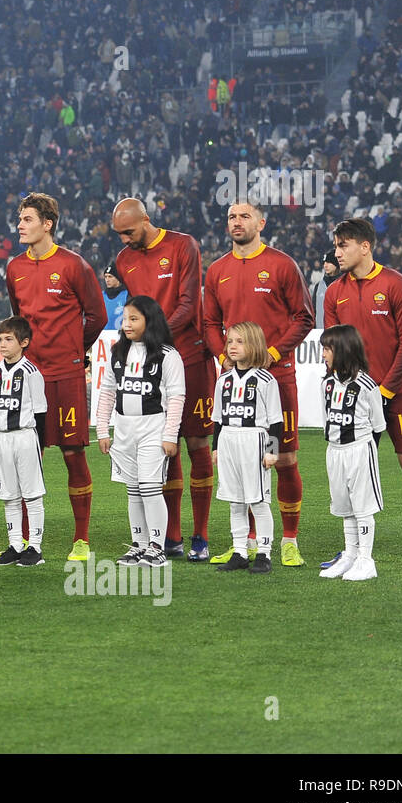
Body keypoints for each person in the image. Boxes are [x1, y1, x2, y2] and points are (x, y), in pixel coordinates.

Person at [202, 201, 314, 566]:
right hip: (233, 380)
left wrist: (274, 354)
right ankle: (248, 542)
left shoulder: (282, 265)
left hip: (277, 377)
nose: (237, 222)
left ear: (261, 223)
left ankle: (289, 539)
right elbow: (208, 323)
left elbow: (304, 317)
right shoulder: (217, 269)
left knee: (284, 458)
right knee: (238, 459)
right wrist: (224, 357)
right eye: (232, 217)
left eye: (245, 216)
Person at [324, 217, 402, 573]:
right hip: (355, 402)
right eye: (337, 246)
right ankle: (353, 551)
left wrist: (383, 390)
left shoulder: (396, 285)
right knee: (350, 475)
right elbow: (332, 349)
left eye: (343, 245)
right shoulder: (333, 292)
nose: (337, 252)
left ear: (365, 246)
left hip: (399, 393)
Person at [5, 193, 106, 562]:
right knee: (28, 457)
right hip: (29, 379)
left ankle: (81, 539)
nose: (20, 225)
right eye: (20, 218)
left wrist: (73, 351)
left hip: (65, 376)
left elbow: (97, 316)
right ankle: (28, 541)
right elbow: (18, 320)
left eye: (27, 219)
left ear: (47, 224)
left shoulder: (73, 265)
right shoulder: (14, 267)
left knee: (72, 453)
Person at [112, 198, 212, 560]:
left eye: (129, 231)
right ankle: (170, 536)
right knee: (162, 452)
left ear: (146, 220)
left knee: (198, 445)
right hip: (151, 364)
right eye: (119, 234)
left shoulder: (183, 245)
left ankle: (200, 535)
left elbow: (189, 303)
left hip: (190, 357)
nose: (124, 240)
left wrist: (157, 335)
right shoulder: (124, 260)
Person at [95, 296, 185, 568]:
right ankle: (140, 544)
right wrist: (102, 429)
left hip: (153, 429)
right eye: (125, 319)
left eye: (134, 319)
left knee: (149, 488)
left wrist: (170, 435)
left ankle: (157, 547)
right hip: (124, 430)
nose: (127, 325)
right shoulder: (117, 353)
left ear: (151, 320)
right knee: (133, 490)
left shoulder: (168, 355)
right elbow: (108, 392)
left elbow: (176, 397)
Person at [210, 322, 283, 574]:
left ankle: (264, 552)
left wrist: (272, 450)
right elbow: (217, 418)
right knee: (235, 501)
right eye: (230, 341)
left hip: (255, 441)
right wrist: (216, 447)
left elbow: (276, 420)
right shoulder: (224, 381)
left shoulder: (266, 379)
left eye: (239, 341)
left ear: (254, 344)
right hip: (229, 440)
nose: (233, 346)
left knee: (258, 501)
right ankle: (239, 550)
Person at [318, 325, 387, 581]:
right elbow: (327, 419)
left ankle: (366, 560)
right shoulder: (326, 383)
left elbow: (378, 426)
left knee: (362, 507)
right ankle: (350, 555)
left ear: (344, 350)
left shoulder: (367, 385)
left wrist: (366, 454)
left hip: (359, 449)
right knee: (345, 507)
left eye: (327, 349)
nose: (323, 354)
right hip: (334, 451)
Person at [0, 316, 47, 567]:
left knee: (31, 495)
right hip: (0, 438)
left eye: (8, 339)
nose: (2, 344)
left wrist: (39, 446)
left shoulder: (31, 372)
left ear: (24, 342)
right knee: (9, 495)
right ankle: (16, 544)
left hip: (24, 437)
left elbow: (41, 412)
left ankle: (35, 546)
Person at [310, 249, 341, 329]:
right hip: (319, 335)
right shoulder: (318, 286)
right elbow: (313, 311)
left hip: (339, 336)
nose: (325, 265)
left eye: (329, 262)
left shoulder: (344, 285)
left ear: (336, 264)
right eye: (324, 262)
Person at [103, 263, 128, 331]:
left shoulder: (127, 295)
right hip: (103, 336)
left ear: (118, 278)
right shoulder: (102, 296)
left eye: (110, 276)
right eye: (105, 277)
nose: (107, 280)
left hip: (121, 336)